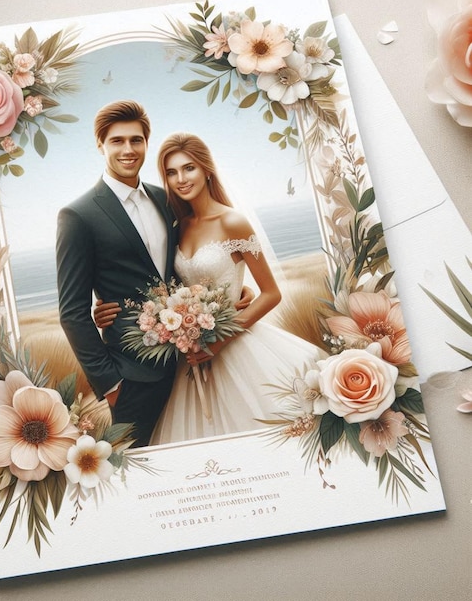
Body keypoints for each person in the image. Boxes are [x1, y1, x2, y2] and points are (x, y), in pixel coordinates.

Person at [95, 132, 327, 445]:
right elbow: (162, 282)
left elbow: (271, 293)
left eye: (188, 168)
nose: (181, 179)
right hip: (188, 353)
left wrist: (218, 342)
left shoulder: (232, 222)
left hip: (236, 347)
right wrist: (108, 307)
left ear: (206, 169)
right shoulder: (175, 225)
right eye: (171, 173)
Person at [56, 102, 252, 447]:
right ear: (100, 145)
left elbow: (189, 262)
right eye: (117, 141)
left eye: (136, 140)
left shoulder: (167, 199)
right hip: (132, 377)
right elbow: (72, 312)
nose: (128, 150)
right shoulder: (78, 215)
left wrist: (232, 294)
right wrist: (111, 385)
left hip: (189, 358)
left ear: (147, 143)